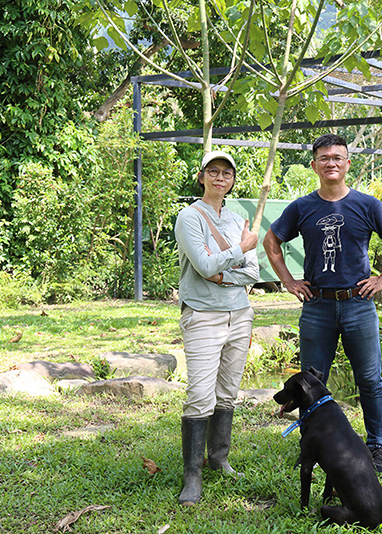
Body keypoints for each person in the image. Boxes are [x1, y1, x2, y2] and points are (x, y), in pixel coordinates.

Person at [263, 133, 382, 473]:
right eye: (324, 158)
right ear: (314, 165)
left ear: (347, 164)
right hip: (317, 306)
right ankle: (312, 445)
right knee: (312, 382)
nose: (331, 162)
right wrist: (287, 280)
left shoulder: (367, 204)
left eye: (337, 157)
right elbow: (272, 240)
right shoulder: (302, 207)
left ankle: (377, 446)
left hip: (358, 303)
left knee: (370, 379)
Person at [174, 150, 259, 506]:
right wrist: (239, 251)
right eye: (213, 171)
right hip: (203, 315)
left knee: (227, 393)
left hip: (240, 313)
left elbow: (253, 273)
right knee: (200, 394)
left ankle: (219, 458)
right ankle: (191, 475)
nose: (220, 178)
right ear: (201, 176)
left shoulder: (237, 218)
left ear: (233, 179)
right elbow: (204, 264)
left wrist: (222, 271)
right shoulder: (188, 217)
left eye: (227, 173)